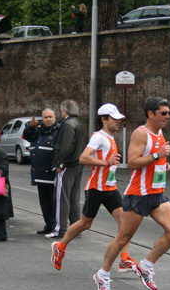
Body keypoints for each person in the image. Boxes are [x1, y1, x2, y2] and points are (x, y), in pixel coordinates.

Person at [93, 97, 170, 290]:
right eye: (163, 113)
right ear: (151, 114)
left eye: (168, 113)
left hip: (156, 193)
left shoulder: (160, 132)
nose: (167, 116)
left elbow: (152, 161)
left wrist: (162, 165)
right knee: (123, 238)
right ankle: (103, 274)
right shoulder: (141, 133)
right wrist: (158, 156)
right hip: (138, 194)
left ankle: (145, 266)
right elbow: (132, 162)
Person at [51, 104, 137, 272]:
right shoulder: (99, 137)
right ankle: (60, 247)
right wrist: (106, 162)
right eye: (115, 119)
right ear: (104, 119)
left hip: (110, 188)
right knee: (85, 224)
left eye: (119, 119)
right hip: (96, 189)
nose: (118, 122)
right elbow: (83, 158)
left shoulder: (110, 137)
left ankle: (125, 259)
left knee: (125, 222)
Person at [47, 99, 87, 239]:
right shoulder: (80, 124)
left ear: (65, 110)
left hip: (68, 164)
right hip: (78, 163)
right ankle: (75, 228)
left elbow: (66, 146)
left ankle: (61, 229)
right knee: (74, 197)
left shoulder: (68, 124)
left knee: (61, 198)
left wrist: (60, 163)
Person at [22, 108, 60, 234]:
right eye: (45, 117)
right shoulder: (39, 131)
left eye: (50, 117)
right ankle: (48, 224)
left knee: (53, 202)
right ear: (42, 119)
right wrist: (31, 127)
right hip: (39, 173)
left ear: (55, 118)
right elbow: (28, 136)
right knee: (44, 202)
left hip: (51, 173)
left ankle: (55, 225)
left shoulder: (58, 131)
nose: (48, 119)